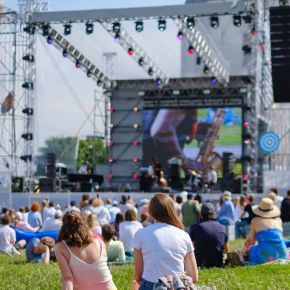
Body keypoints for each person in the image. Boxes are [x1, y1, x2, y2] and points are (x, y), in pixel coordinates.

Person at [133, 193, 198, 290]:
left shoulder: (141, 234)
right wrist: (174, 278)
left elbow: (138, 277)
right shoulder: (184, 235)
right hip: (178, 286)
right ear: (172, 210)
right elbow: (194, 277)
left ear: (151, 212)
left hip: (151, 285)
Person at [54, 211, 117, 290]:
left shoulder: (61, 248)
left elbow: (67, 279)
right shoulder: (100, 243)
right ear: (85, 225)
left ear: (63, 227)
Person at [245, 198, 287, 265]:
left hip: (264, 253)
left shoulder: (255, 220)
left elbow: (251, 240)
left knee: (252, 249)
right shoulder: (279, 220)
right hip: (282, 253)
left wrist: (246, 245)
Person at [189, 203, 228, 268]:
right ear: (213, 214)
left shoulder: (195, 227)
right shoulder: (222, 227)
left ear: (201, 214)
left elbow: (190, 248)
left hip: (199, 264)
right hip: (218, 264)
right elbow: (226, 249)